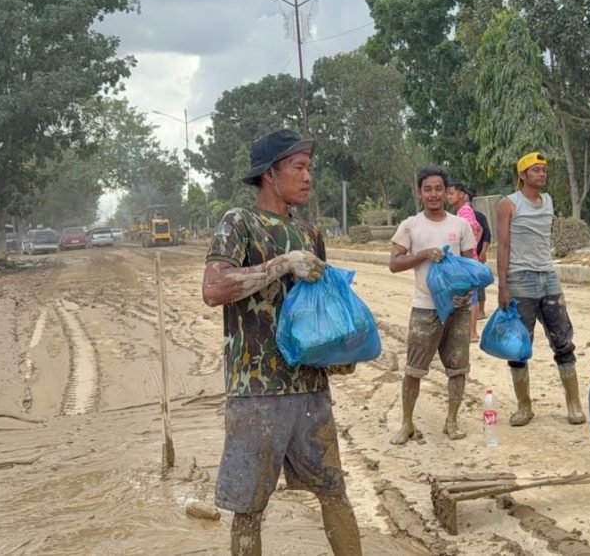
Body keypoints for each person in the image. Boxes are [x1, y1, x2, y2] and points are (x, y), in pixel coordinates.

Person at [202, 129, 362, 556]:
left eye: (309, 167)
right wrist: (279, 265)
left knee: (334, 491)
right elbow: (213, 288)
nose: (308, 176)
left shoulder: (309, 233)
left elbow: (320, 311)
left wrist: (338, 353)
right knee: (249, 510)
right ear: (270, 175)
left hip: (309, 389)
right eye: (299, 167)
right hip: (256, 392)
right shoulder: (239, 223)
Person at [388, 166, 478, 445]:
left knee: (458, 368)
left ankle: (452, 421)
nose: (434, 194)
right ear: (419, 193)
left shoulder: (459, 225)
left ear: (447, 191)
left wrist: (468, 289)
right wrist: (424, 255)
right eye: (428, 189)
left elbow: (471, 264)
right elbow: (394, 263)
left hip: (458, 309)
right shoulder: (410, 226)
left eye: (439, 188)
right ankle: (407, 423)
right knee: (414, 369)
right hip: (425, 308)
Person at [495, 152, 585, 426]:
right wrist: (503, 286)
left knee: (563, 340)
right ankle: (524, 406)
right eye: (535, 170)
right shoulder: (508, 204)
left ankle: (574, 404)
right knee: (519, 346)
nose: (542, 175)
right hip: (520, 280)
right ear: (522, 175)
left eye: (544, 170)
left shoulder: (548, 201)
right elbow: (504, 246)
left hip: (548, 277)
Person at [445, 181, 485, 342]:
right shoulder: (461, 211)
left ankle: (473, 333)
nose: (448, 197)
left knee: (472, 297)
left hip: (467, 262)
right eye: (447, 194)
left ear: (461, 194)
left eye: (451, 193)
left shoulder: (465, 212)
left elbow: (472, 230)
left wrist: (471, 248)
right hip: (466, 260)